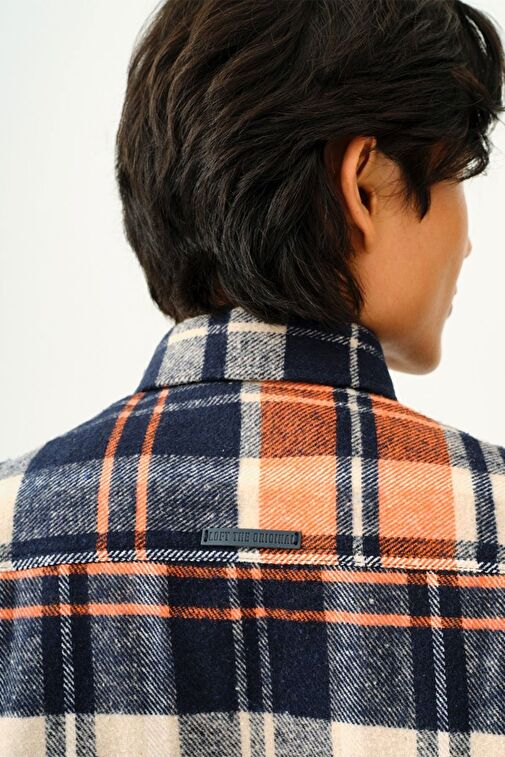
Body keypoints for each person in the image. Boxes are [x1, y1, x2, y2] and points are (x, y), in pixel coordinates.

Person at [1, 1, 504, 755]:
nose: (466, 243)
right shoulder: (492, 523)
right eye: (457, 175)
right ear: (363, 184)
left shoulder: (14, 529)